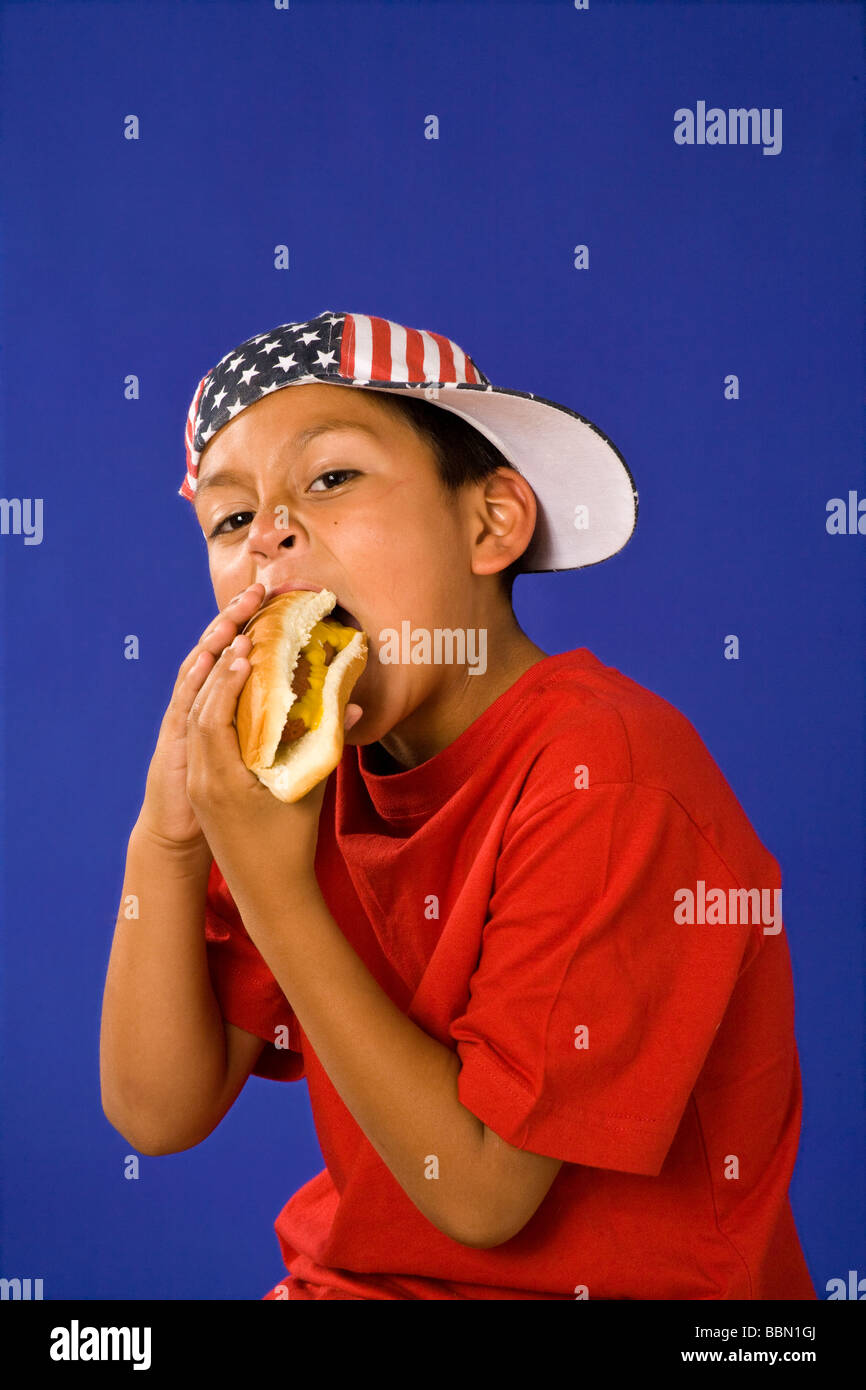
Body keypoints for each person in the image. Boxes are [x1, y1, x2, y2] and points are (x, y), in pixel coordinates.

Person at [100, 309, 816, 1300]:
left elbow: (481, 1193)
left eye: (329, 478)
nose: (270, 534)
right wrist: (171, 835)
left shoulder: (607, 773)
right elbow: (156, 1111)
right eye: (231, 519)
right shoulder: (296, 784)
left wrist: (272, 886)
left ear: (489, 523)